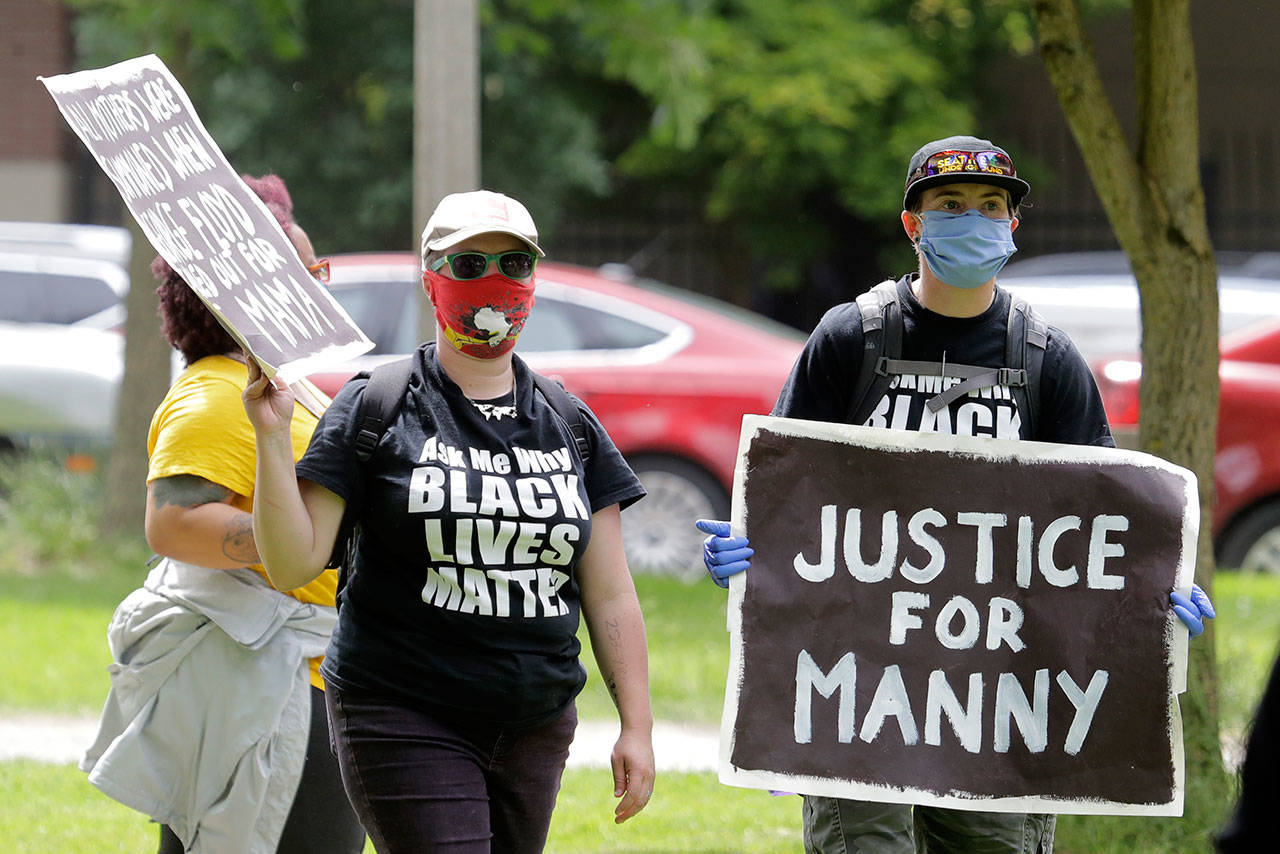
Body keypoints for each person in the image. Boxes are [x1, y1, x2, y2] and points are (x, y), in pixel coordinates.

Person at [695, 135, 1217, 854]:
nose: (973, 219)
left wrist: (1152, 597)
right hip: (858, 683)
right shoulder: (852, 339)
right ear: (914, 225)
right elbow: (787, 484)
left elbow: (1104, 523)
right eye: (950, 205)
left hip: (998, 691)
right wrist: (750, 547)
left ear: (1012, 225)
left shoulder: (1046, 358)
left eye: (990, 206)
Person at [243, 189, 655, 852]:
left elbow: (610, 591)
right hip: (401, 709)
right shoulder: (374, 406)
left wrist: (637, 725)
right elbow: (293, 563)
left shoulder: (568, 423)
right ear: (431, 282)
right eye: (468, 266)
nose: (494, 281)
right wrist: (268, 436)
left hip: (535, 721)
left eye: (513, 265)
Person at [79, 174, 366, 853]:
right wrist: (308, 543)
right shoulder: (213, 396)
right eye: (305, 271)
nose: (320, 286)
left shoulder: (274, 383)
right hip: (274, 689)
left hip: (311, 678)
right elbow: (172, 524)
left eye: (317, 269)